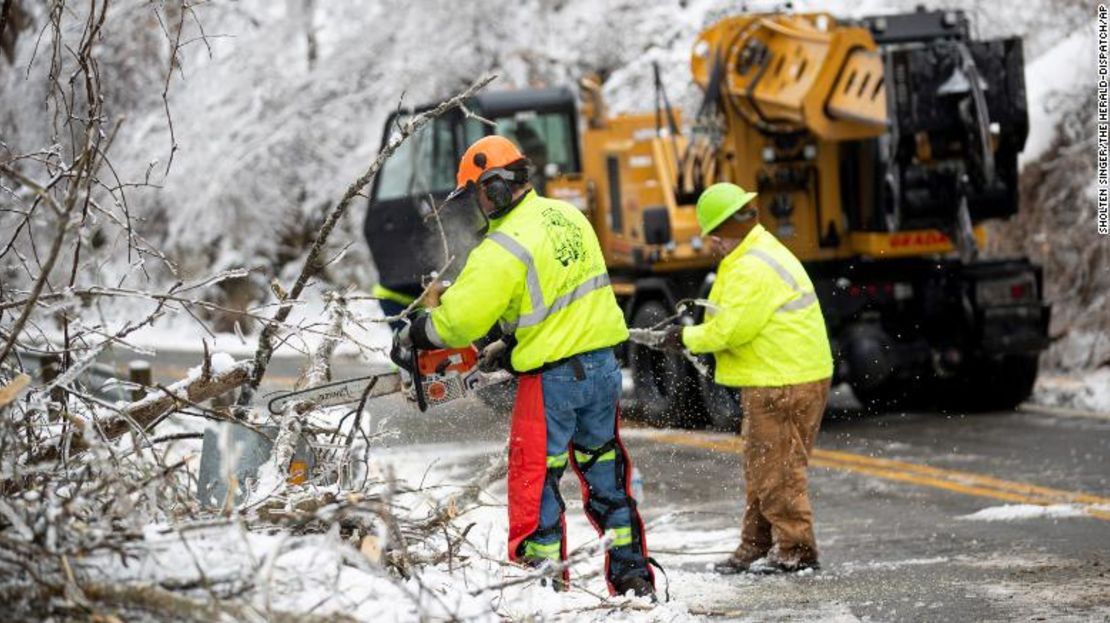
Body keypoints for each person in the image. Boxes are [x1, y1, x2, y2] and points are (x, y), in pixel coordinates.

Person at [394, 135, 656, 597]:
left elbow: (458, 322)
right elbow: (558, 291)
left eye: (477, 192)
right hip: (603, 369)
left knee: (536, 482)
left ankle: (542, 587)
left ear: (493, 188)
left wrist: (417, 333)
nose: (477, 203)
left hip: (553, 380)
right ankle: (633, 577)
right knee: (605, 474)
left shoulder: (503, 245)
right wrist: (514, 338)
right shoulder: (568, 216)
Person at [662, 182, 833, 574]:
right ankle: (755, 544)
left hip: (785, 380)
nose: (712, 245)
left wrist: (684, 337)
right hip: (780, 376)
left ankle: (796, 550)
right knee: (764, 466)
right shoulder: (752, 253)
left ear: (724, 233)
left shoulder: (753, 265)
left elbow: (729, 330)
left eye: (713, 237)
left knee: (780, 471)